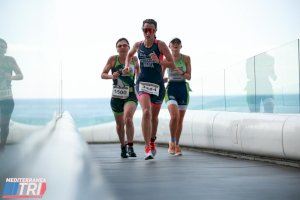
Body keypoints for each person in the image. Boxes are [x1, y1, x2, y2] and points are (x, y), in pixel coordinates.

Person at [125, 19, 175, 160]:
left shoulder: (160, 45)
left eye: (151, 30)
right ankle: (147, 147)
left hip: (157, 85)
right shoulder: (138, 45)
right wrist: (128, 66)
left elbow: (171, 63)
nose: (148, 32)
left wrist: (158, 61)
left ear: (155, 31)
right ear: (142, 30)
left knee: (154, 116)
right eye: (145, 30)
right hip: (141, 84)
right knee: (146, 112)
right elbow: (129, 55)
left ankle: (152, 141)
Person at [101, 38, 140, 158]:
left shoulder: (134, 59)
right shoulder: (113, 59)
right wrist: (112, 76)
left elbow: (139, 74)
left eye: (125, 45)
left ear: (129, 47)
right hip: (116, 96)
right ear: (117, 48)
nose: (122, 47)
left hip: (131, 94)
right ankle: (123, 147)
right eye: (120, 46)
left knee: (128, 118)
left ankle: (130, 146)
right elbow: (103, 74)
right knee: (119, 124)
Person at [162, 38, 191, 156]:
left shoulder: (186, 58)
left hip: (183, 89)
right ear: (169, 46)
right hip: (171, 88)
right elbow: (161, 75)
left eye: (177, 44)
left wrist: (182, 73)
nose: (175, 45)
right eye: (173, 44)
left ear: (181, 46)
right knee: (174, 116)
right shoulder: (166, 59)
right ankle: (172, 142)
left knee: (180, 120)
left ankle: (177, 145)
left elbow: (189, 76)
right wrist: (162, 79)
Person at [0, 38, 23, 152]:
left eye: (3, 46)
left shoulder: (10, 60)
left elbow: (20, 75)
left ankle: (2, 148)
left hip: (6, 98)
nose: (1, 48)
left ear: (5, 49)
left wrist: (11, 77)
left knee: (3, 126)